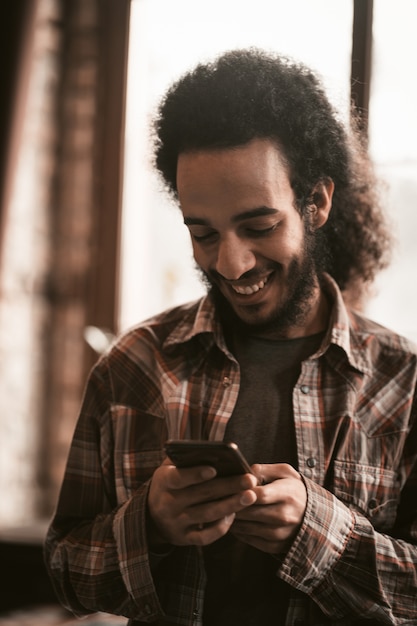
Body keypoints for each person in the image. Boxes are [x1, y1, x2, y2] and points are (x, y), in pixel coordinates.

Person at [44, 48, 417, 625]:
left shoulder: (405, 381)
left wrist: (321, 535)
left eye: (259, 226)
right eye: (204, 233)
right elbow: (67, 575)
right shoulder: (133, 366)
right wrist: (150, 525)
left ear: (316, 202)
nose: (232, 264)